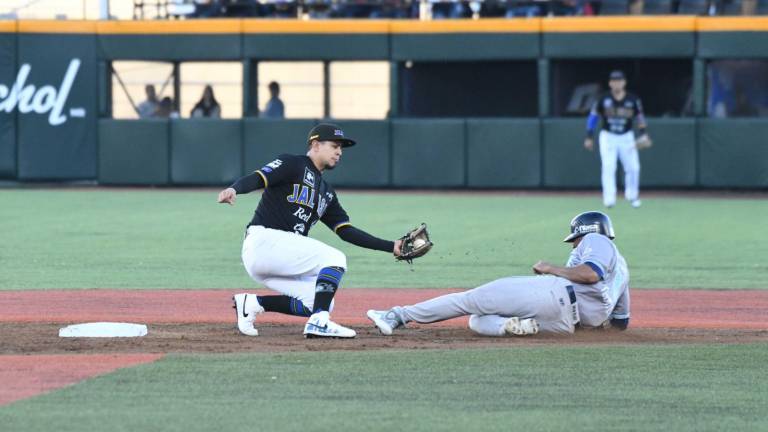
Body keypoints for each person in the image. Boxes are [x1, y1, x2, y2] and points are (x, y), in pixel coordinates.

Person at [219, 123, 405, 339]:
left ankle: (252, 303)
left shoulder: (326, 192)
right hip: (264, 241)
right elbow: (260, 177)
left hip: (276, 256)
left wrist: (391, 246)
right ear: (315, 145)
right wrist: (235, 188)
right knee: (334, 258)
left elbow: (346, 231)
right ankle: (319, 322)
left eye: (341, 148)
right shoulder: (293, 163)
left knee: (318, 301)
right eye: (335, 146)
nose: (339, 152)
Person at [367, 211, 630, 337]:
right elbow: (620, 323)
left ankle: (397, 315)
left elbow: (590, 274)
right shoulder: (623, 271)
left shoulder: (596, 240)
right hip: (564, 325)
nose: (574, 244)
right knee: (476, 320)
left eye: (575, 239)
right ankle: (510, 326)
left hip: (553, 294)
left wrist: (551, 268)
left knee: (468, 300)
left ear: (587, 232)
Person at [584, 70, 650, 209]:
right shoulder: (603, 99)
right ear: (610, 83)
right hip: (608, 136)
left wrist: (643, 133)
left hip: (627, 136)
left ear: (624, 82)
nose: (617, 83)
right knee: (608, 167)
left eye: (619, 80)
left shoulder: (632, 99)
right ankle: (609, 199)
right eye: (614, 81)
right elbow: (593, 117)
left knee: (633, 167)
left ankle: (632, 196)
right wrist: (589, 136)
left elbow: (640, 117)